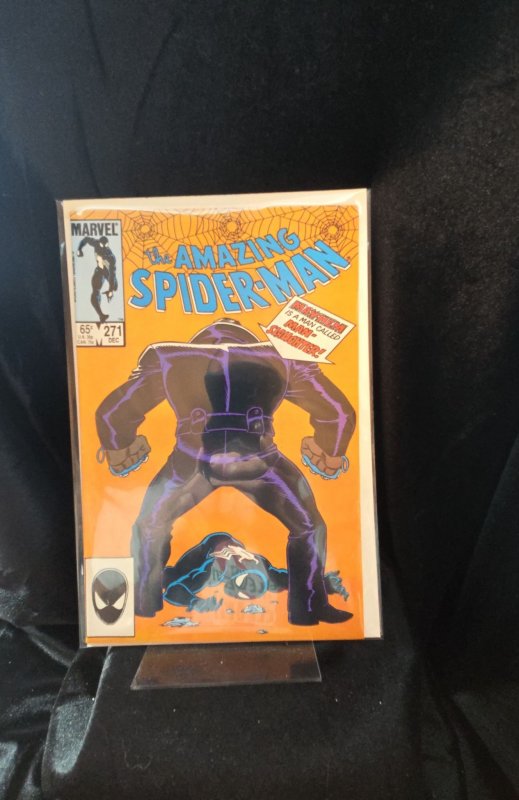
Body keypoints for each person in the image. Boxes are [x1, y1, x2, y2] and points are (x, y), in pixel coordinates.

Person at [96, 319, 356, 626]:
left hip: (192, 461)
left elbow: (112, 413)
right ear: (249, 338)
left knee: (150, 525)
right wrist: (328, 451)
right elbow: (338, 413)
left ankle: (142, 603)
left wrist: (120, 447)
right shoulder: (286, 356)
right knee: (309, 526)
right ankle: (308, 609)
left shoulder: (166, 357)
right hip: (257, 460)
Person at [162, 531, 350, 614]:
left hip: (233, 550)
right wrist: (195, 602)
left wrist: (324, 583)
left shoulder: (268, 575)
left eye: (246, 594)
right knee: (174, 575)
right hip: (212, 547)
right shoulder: (213, 569)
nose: (240, 593)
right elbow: (172, 590)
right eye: (246, 586)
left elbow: (292, 579)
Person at [76, 235, 118, 323]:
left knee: (114, 287)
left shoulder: (111, 257)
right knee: (96, 290)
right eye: (102, 246)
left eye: (105, 247)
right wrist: (79, 249)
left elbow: (112, 274)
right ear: (99, 243)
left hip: (108, 272)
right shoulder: (95, 243)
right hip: (100, 271)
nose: (103, 250)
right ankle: (101, 315)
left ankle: (111, 291)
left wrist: (110, 290)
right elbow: (86, 239)